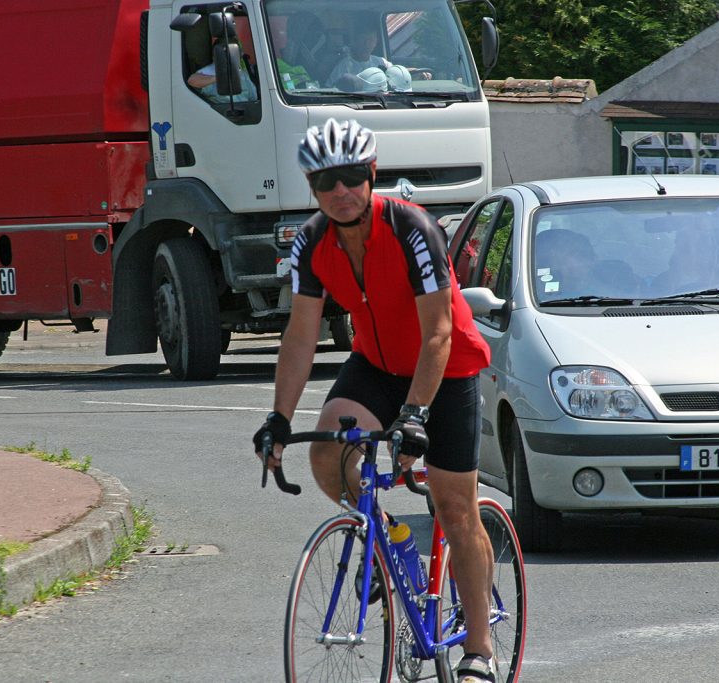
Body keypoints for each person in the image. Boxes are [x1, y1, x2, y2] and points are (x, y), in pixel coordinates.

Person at [252, 118, 497, 682]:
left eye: (350, 177)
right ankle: (386, 544)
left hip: (446, 365)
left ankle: (479, 649)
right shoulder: (313, 241)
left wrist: (414, 417)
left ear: (371, 174)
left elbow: (438, 332)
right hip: (379, 364)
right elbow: (301, 333)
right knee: (327, 450)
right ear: (312, 188)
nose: (339, 191)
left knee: (455, 507)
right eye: (324, 182)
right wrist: (278, 419)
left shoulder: (414, 228)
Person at [187, 46, 258, 104]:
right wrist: (220, 77)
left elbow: (253, 99)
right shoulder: (209, 72)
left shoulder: (244, 75)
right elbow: (192, 81)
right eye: (223, 56)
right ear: (215, 58)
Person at [326, 24, 392, 86]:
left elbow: (397, 81)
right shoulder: (343, 66)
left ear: (376, 42)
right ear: (355, 41)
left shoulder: (382, 63)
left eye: (371, 39)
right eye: (363, 39)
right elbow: (330, 89)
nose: (367, 44)